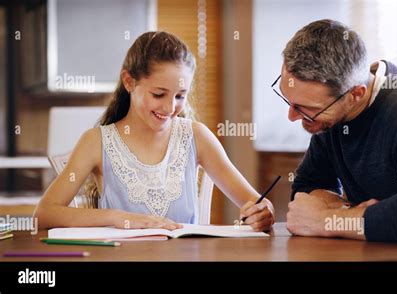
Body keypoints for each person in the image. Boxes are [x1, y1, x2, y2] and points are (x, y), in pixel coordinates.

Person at [34, 31, 274, 232]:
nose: (170, 108)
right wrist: (118, 217)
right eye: (158, 94)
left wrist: (263, 213)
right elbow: (44, 214)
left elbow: (257, 203)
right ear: (129, 82)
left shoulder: (196, 137)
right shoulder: (96, 142)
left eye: (180, 96)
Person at [277, 19, 397, 250]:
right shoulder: (331, 115)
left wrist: (327, 220)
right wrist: (351, 214)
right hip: (393, 253)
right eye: (288, 100)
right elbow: (307, 190)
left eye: (306, 108)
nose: (292, 116)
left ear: (356, 94)